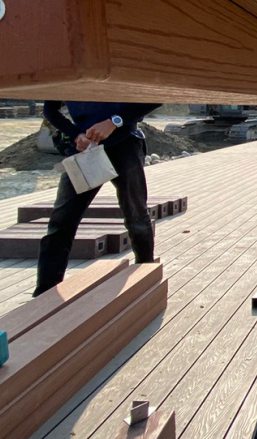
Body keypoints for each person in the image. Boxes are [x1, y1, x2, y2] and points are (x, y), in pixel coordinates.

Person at [33, 101, 162, 296]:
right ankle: (44, 293)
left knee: (136, 215)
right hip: (85, 149)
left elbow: (154, 98)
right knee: (61, 222)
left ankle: (145, 278)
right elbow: (50, 109)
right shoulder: (66, 80)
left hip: (125, 144)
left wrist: (114, 122)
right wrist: (75, 134)